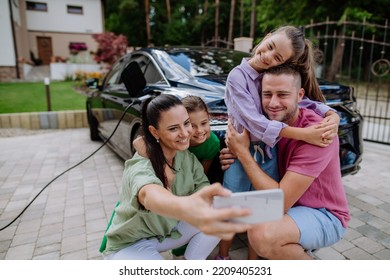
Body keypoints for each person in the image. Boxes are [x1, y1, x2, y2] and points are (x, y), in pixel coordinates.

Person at [216, 25, 340, 260]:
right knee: (231, 208)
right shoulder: (238, 76)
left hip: (266, 151)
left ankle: (255, 262)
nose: (267, 56)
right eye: (270, 47)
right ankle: (222, 256)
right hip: (242, 149)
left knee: (263, 209)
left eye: (277, 58)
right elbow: (254, 122)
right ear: (265, 37)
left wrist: (331, 113)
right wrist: (303, 134)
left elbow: (304, 100)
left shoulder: (268, 75)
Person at [100, 94, 252, 260]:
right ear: (154, 132)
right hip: (132, 242)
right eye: (173, 128)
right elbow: (149, 194)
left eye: (186, 124)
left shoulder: (187, 158)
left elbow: (202, 186)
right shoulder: (141, 164)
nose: (185, 133)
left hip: (166, 234)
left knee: (222, 211)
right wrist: (185, 205)